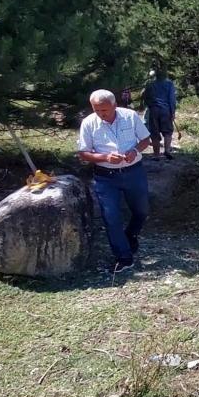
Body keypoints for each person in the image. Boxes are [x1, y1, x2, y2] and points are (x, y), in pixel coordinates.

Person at [77, 90, 151, 273]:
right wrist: (105, 157)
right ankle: (124, 257)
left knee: (142, 211)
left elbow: (145, 140)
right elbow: (83, 153)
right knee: (111, 218)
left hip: (134, 172)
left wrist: (134, 151)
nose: (101, 113)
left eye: (105, 110)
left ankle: (130, 235)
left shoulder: (130, 116)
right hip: (105, 177)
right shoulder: (88, 123)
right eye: (97, 109)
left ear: (114, 105)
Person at [142, 70, 176, 160]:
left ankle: (156, 154)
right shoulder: (170, 84)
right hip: (166, 110)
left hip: (153, 109)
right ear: (165, 75)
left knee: (154, 132)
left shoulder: (150, 84)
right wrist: (172, 112)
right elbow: (172, 99)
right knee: (168, 131)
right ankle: (167, 151)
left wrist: (150, 106)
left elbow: (145, 97)